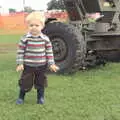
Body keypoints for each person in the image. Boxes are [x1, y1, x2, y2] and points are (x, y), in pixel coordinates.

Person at [16, 11, 59, 105]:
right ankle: (20, 98)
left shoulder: (45, 39)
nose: (34, 27)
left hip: (41, 66)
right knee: (25, 83)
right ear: (28, 26)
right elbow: (20, 51)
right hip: (28, 66)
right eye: (31, 25)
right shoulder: (25, 38)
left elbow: (49, 52)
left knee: (41, 83)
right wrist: (20, 63)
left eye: (37, 25)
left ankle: (40, 98)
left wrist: (51, 64)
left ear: (42, 26)